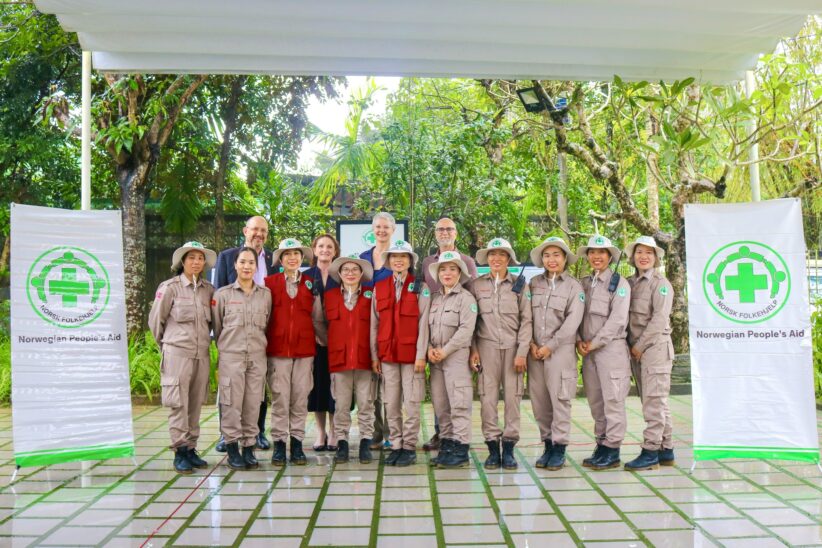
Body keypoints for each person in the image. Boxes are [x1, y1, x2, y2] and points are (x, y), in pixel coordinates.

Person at [148, 241, 216, 474]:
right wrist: (168, 345)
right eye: (191, 258)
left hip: (201, 354)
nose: (196, 262)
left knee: (196, 402)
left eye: (200, 258)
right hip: (177, 353)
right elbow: (156, 322)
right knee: (178, 403)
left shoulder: (209, 289)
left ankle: (191, 448)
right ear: (182, 262)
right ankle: (179, 451)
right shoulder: (170, 288)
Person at [213, 216, 278, 453]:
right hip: (233, 338)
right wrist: (222, 341)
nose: (259, 234)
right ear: (245, 231)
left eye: (263, 230)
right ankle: (226, 435)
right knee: (230, 391)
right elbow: (218, 299)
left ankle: (257, 433)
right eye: (255, 229)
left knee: (256, 390)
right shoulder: (227, 257)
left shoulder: (273, 259)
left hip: (260, 336)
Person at [467, 238, 531, 470]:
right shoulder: (476, 285)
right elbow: (471, 322)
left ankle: (510, 447)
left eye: (501, 255)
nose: (496, 259)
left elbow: (527, 320)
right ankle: (493, 448)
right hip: (486, 348)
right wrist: (473, 350)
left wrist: (522, 352)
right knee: (487, 398)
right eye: (492, 255)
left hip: (514, 349)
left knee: (513, 398)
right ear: (487, 259)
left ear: (509, 259)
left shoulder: (520, 285)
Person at [264, 238, 327, 466]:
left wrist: (327, 342)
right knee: (280, 397)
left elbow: (318, 318)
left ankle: (297, 443)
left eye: (297, 254)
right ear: (280, 259)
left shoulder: (311, 283)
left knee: (300, 397)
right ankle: (279, 444)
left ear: (302, 258)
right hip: (278, 349)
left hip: (304, 349)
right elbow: (264, 316)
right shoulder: (269, 283)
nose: (292, 258)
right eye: (287, 254)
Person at [370, 240, 430, 467]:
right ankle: (395, 444)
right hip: (387, 356)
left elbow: (424, 322)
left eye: (403, 256)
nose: (398, 260)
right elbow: (374, 325)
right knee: (390, 402)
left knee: (412, 403)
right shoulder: (380, 287)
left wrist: (421, 354)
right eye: (394, 256)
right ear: (388, 261)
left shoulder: (420, 287)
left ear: (410, 261)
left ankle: (409, 446)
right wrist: (375, 356)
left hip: (412, 356)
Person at [420, 217, 479, 451]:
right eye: (440, 229)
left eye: (449, 229)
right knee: (440, 398)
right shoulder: (426, 263)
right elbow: (424, 311)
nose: (445, 232)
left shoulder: (467, 263)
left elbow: (470, 318)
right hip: (436, 336)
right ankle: (444, 438)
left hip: (457, 342)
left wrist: (471, 347)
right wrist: (428, 349)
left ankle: (459, 442)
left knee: (458, 398)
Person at [527, 237, 585, 470]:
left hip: (559, 352)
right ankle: (548, 444)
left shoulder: (574, 287)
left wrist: (549, 346)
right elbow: (525, 316)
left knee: (560, 400)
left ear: (565, 259)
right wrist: (530, 343)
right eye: (547, 255)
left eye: (556, 255)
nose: (551, 260)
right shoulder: (533, 283)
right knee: (540, 401)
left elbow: (572, 323)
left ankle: (559, 447)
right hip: (534, 352)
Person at [576, 235, 632, 471]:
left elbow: (618, 320)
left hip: (611, 350)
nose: (596, 256)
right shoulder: (583, 283)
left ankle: (613, 449)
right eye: (592, 252)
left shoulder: (620, 284)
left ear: (610, 256)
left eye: (602, 252)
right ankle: (601, 444)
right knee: (596, 401)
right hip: (588, 351)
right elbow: (576, 315)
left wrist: (595, 342)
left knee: (613, 400)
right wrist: (579, 340)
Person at [624, 236, 675, 471]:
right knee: (655, 400)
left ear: (656, 258)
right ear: (633, 257)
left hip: (654, 348)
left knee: (654, 403)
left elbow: (659, 320)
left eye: (649, 253)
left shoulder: (660, 284)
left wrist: (639, 346)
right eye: (639, 252)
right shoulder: (630, 283)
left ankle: (650, 451)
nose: (643, 256)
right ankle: (666, 450)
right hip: (638, 349)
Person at [325, 253, 376, 464]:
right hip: (339, 359)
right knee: (341, 405)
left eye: (355, 269)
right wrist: (333, 344)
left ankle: (365, 442)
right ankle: (342, 443)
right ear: (339, 274)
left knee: (366, 404)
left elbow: (377, 325)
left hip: (365, 359)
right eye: (346, 269)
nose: (350, 273)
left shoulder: (371, 295)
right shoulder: (329, 297)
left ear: (362, 273)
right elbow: (320, 323)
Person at [359, 212, 397, 449]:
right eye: (377, 227)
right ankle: (375, 432)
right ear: (372, 229)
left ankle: (393, 433)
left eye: (386, 227)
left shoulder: (398, 257)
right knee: (370, 385)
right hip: (365, 326)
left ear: (393, 230)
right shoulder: (363, 258)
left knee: (390, 384)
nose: (381, 230)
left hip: (391, 326)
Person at [304, 234, 341, 453]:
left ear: (335, 251)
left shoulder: (341, 274)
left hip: (338, 341)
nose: (325, 250)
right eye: (321, 246)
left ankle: (335, 431)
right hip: (313, 342)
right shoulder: (306, 276)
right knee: (317, 387)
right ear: (314, 250)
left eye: (329, 246)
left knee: (336, 388)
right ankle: (320, 431)